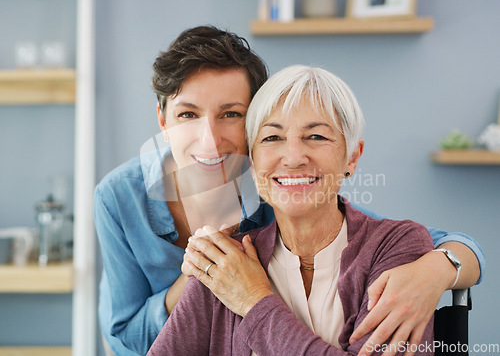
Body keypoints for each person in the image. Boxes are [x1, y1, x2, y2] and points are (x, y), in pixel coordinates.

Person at [95, 26, 484, 356]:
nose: (209, 140)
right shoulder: (126, 200)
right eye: (187, 114)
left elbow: (409, 239)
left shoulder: (378, 240)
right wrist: (206, 268)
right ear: (163, 121)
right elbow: (126, 333)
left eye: (231, 114)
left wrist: (440, 267)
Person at [148, 65, 436, 355]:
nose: (294, 157)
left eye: (317, 137)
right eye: (272, 138)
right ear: (252, 160)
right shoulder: (224, 264)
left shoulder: (398, 246)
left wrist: (254, 301)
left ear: (352, 157)